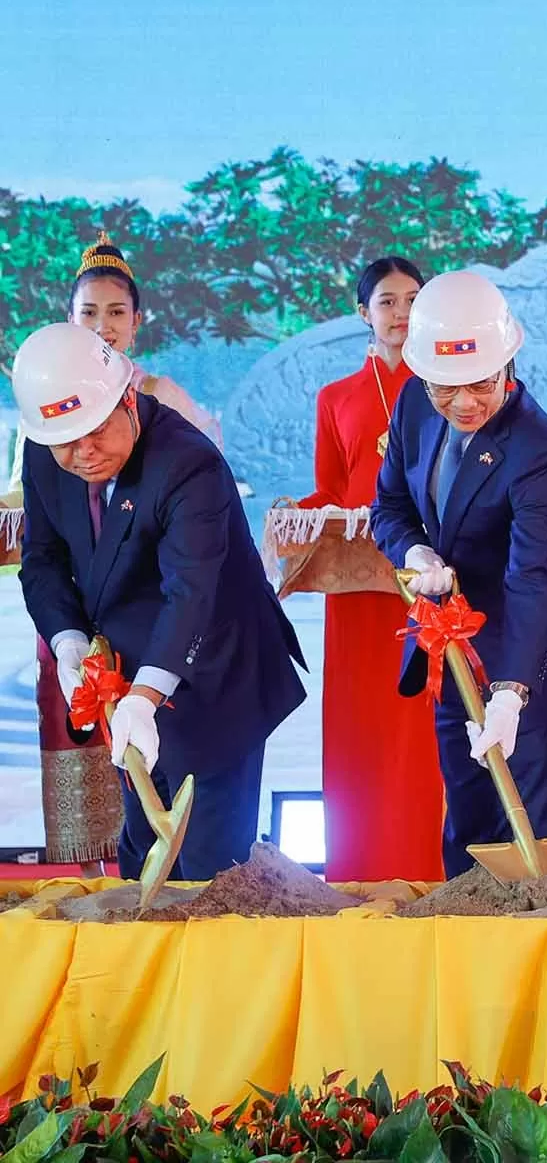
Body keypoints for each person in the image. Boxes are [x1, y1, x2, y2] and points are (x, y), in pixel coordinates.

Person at [14, 322, 306, 879]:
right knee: (143, 854)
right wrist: (69, 641)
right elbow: (43, 562)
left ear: (127, 397)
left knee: (211, 873)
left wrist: (146, 696)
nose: (83, 452)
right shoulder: (46, 450)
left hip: (218, 670)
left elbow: (191, 593)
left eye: (95, 431)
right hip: (130, 676)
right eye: (64, 441)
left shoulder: (187, 463)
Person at [7, 235, 227, 877]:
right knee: (88, 757)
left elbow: (194, 563)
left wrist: (148, 684)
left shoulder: (167, 418)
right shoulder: (42, 428)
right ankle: (101, 873)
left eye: (115, 313)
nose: (101, 326)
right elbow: (42, 556)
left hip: (165, 628)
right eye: (87, 313)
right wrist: (72, 640)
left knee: (181, 794)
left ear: (136, 321)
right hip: (77, 618)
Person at [371, 270, 547, 879]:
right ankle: (471, 943)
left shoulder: (538, 450)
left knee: (532, 824)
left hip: (534, 653)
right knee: (470, 818)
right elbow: (390, 506)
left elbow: (535, 577)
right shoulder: (415, 407)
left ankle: (545, 946)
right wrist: (416, 555)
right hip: (454, 650)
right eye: (447, 389)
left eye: (481, 384)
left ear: (509, 363)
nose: (464, 403)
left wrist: (511, 692)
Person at [299, 256, 443, 882]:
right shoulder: (336, 398)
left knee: (421, 721)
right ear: (364, 312)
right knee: (360, 724)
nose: (402, 314)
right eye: (388, 302)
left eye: (413, 300)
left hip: (424, 578)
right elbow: (326, 490)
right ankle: (358, 865)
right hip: (356, 585)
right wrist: (290, 516)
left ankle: (427, 862)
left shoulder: (445, 386)